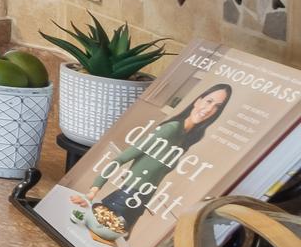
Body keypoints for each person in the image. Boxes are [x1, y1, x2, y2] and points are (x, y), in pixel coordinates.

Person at [85, 83, 233, 235]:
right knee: (99, 238)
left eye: (217, 106)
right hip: (125, 197)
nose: (209, 109)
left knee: (115, 241)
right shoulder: (170, 129)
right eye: (209, 101)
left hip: (140, 202)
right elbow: (121, 159)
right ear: (198, 101)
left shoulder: (187, 139)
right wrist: (94, 189)